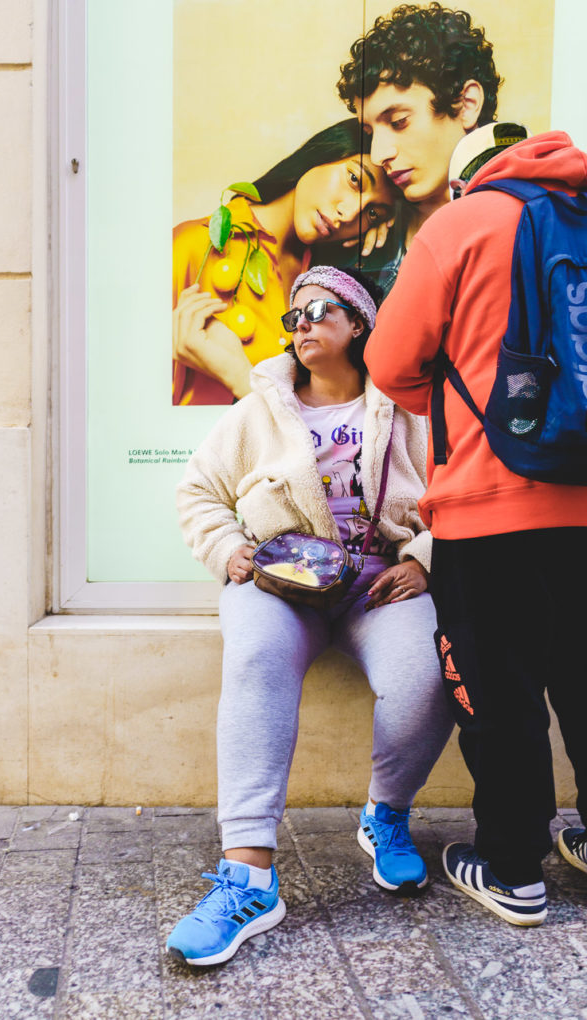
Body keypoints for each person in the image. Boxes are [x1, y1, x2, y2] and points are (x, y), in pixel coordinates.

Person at [166, 265, 454, 966]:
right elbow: (197, 491)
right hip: (279, 580)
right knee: (258, 659)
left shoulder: (410, 406)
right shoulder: (258, 409)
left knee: (428, 674)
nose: (301, 322)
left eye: (320, 309)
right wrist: (230, 549)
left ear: (359, 325)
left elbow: (455, 488)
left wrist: (421, 555)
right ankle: (248, 877)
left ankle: (385, 815)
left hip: (376, 582)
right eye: (294, 312)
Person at [364, 126, 587, 927]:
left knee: (500, 691)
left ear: (465, 180)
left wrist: (463, 408)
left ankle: (513, 869)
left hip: (490, 508)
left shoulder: (460, 224)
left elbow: (389, 362)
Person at [173, 118, 399, 405]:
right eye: (354, 179)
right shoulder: (193, 246)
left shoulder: (325, 282)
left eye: (372, 214)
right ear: (323, 152)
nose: (350, 213)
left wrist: (393, 233)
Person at [336, 2, 501, 291]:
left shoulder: (525, 223)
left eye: (399, 121)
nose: (379, 154)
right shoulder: (376, 240)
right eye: (369, 132)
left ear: (467, 105)